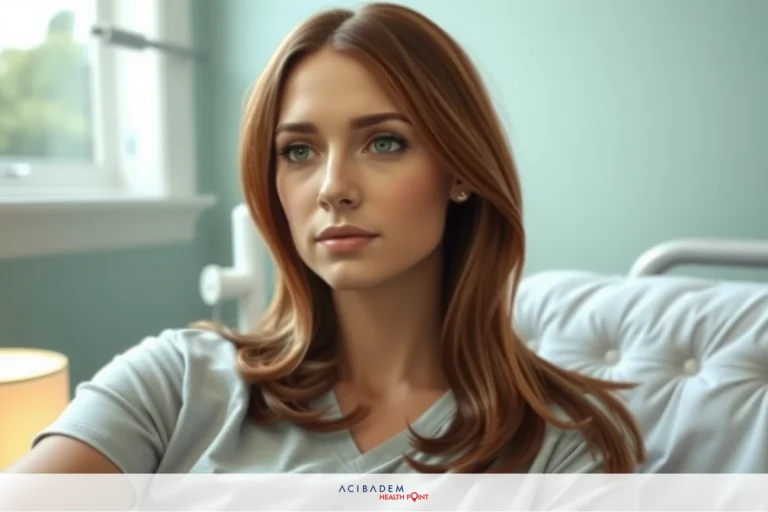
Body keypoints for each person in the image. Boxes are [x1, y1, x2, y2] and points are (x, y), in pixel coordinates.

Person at [7, 2, 645, 474]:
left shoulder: (563, 447)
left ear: (459, 171)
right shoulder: (174, 381)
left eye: (384, 142)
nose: (333, 186)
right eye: (300, 151)